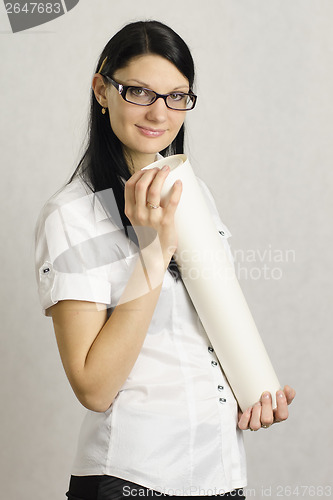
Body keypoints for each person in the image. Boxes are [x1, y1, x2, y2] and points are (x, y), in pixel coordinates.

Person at [34, 20, 295, 500]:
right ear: (102, 90)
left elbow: (208, 334)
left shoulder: (196, 196)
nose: (160, 112)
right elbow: (94, 387)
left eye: (178, 96)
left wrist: (253, 394)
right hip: (133, 476)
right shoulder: (71, 215)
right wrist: (155, 249)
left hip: (221, 472)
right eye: (139, 91)